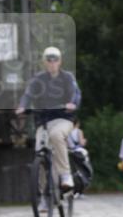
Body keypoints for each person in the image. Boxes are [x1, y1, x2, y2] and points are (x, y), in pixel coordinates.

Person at [15, 46, 82, 192]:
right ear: (44, 62)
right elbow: (28, 94)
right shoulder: (38, 79)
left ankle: (65, 175)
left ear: (60, 62)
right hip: (43, 121)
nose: (52, 63)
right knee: (39, 151)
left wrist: (72, 103)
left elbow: (75, 93)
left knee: (56, 135)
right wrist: (22, 106)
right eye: (49, 60)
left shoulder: (67, 77)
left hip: (64, 119)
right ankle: (44, 192)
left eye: (55, 60)